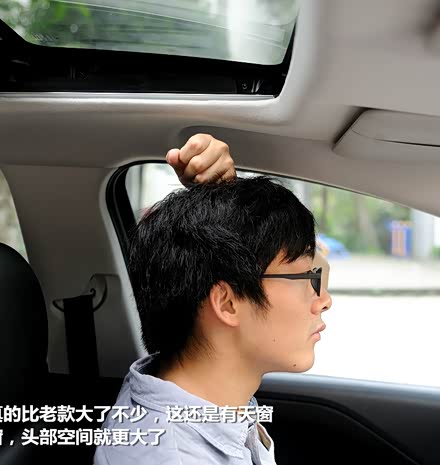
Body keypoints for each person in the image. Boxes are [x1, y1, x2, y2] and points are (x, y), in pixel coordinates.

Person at [94, 134, 332, 465]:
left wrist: (230, 210)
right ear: (227, 303)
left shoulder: (206, 399)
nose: (323, 301)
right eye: (307, 279)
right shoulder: (169, 457)